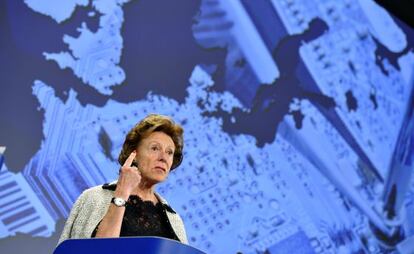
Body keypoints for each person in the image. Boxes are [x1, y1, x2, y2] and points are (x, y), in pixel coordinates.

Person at [58, 114, 188, 245]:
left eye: (169, 152)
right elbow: (99, 250)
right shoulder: (94, 198)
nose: (163, 158)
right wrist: (122, 193)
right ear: (134, 154)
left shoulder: (174, 220)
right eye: (155, 148)